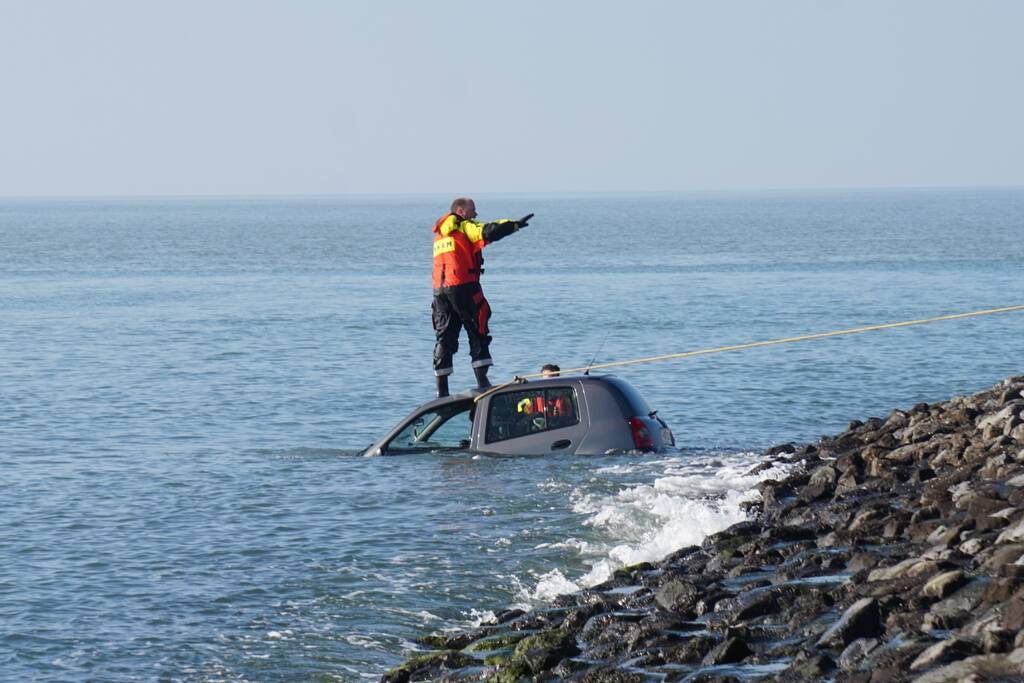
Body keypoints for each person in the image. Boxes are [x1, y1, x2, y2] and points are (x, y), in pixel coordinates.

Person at [432, 198, 533, 397]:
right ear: (460, 211)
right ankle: (483, 381)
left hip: (439, 291)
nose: (476, 214)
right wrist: (514, 225)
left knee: (444, 336)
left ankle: (441, 390)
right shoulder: (463, 226)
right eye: (473, 210)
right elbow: (487, 231)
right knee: (478, 326)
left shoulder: (440, 234)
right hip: (463, 286)